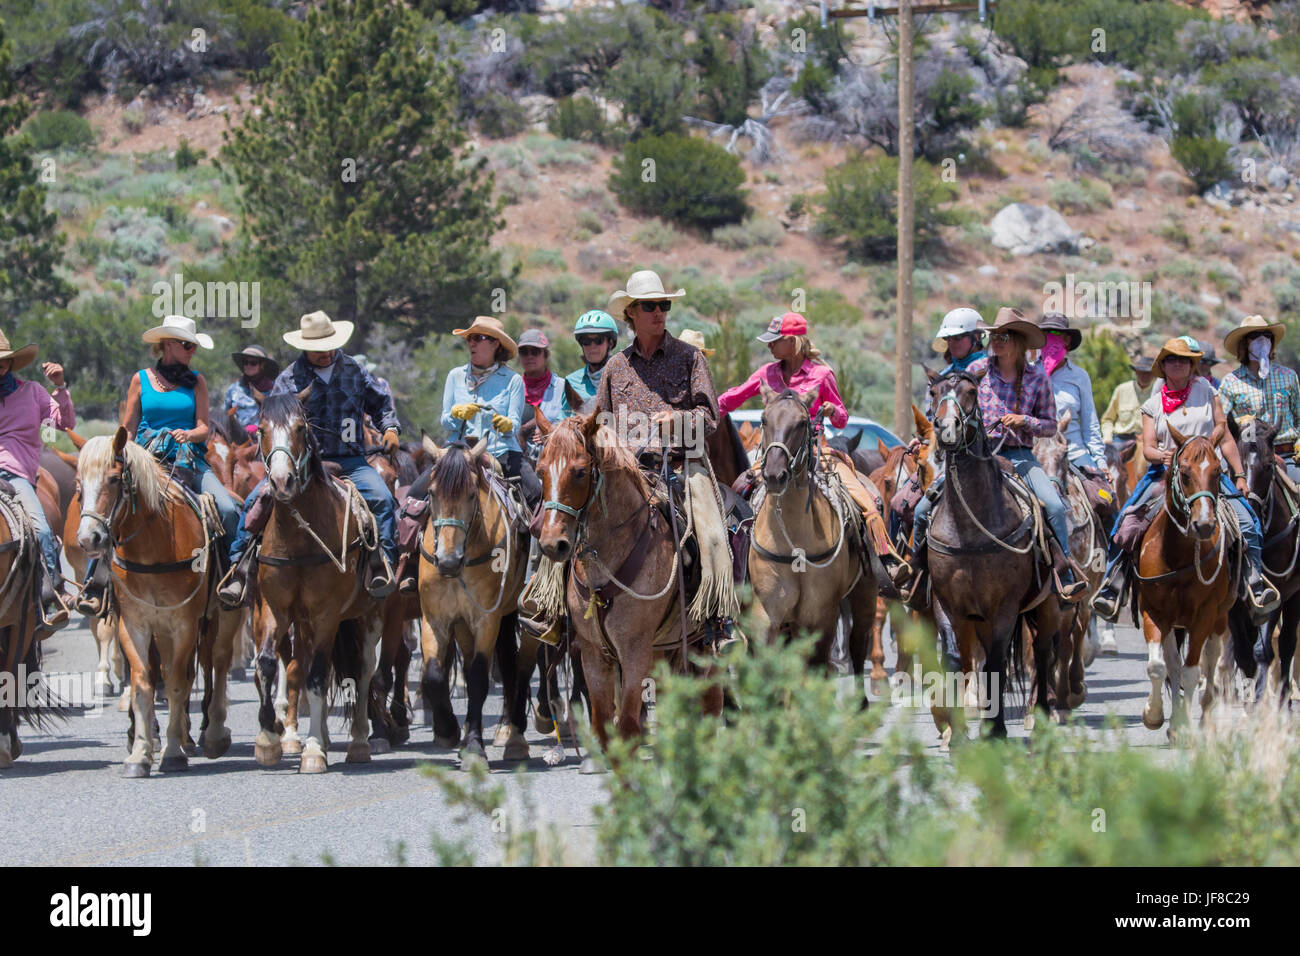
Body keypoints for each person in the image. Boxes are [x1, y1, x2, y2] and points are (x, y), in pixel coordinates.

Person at [217, 311, 400, 607]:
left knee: (381, 498)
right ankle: (239, 568)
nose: (325, 353)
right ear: (305, 347)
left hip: (351, 460)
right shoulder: (289, 378)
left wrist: (390, 428)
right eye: (318, 348)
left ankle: (382, 564)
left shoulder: (353, 369)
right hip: (302, 464)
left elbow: (380, 402)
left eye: (329, 345)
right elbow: (271, 420)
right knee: (256, 499)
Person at [1091, 336, 1280, 622]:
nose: (1177, 364)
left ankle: (1255, 582)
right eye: (1171, 360)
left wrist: (1239, 473)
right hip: (1165, 474)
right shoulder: (1153, 405)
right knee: (1126, 523)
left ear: (1192, 366)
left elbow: (1224, 431)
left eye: (1184, 360)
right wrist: (1162, 455)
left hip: (1206, 474)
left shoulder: (1207, 391)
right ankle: (1112, 586)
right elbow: (1150, 446)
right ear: (1163, 366)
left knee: (1248, 523)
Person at [908, 308, 1088, 604]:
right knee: (921, 509)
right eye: (995, 336)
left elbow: (1050, 425)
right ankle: (919, 572)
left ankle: (1062, 571)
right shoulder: (976, 372)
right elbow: (946, 399)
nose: (998, 341)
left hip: (1019, 458)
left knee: (1054, 506)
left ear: (1018, 342)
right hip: (976, 455)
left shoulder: (1037, 379)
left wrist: (1024, 421)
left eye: (1005, 336)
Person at [717, 311, 910, 585]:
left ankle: (884, 560)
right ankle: (735, 569)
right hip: (774, 455)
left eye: (775, 340)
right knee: (737, 493)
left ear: (793, 341)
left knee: (868, 499)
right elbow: (732, 399)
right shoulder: (766, 374)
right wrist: (702, 407)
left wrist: (832, 410)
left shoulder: (822, 375)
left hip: (819, 453)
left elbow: (842, 418)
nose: (769, 346)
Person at [595, 269, 739, 628]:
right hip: (627, 472)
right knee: (569, 520)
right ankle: (556, 611)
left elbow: (710, 418)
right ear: (631, 313)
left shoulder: (691, 358)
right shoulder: (616, 367)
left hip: (682, 466)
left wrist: (677, 420)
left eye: (663, 305)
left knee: (712, 536)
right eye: (650, 306)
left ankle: (717, 621)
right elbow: (602, 423)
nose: (659, 312)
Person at [79, 315, 242, 616]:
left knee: (229, 509)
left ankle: (234, 575)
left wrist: (189, 434)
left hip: (190, 461)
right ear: (167, 345)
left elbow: (204, 427)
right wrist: (121, 452)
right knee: (109, 507)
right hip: (147, 463)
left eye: (193, 346)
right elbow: (127, 428)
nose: (191, 351)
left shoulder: (198, 382)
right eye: (186, 345)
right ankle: (96, 582)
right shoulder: (139, 380)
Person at [0, 331, 75, 627]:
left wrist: (60, 387)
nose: (0, 367)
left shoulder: (32, 392)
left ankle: (53, 590)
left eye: (4, 362)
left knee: (42, 530)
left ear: (11, 363)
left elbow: (64, 422)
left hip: (16, 474)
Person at [441, 315, 539, 510]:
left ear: (495, 344)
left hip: (502, 451)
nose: (471, 343)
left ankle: (540, 540)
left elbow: (514, 424)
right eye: (470, 338)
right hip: (458, 451)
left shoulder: (513, 380)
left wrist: (507, 424)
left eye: (478, 338)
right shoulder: (455, 376)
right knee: (415, 498)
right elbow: (444, 420)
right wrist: (455, 414)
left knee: (536, 493)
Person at [1216, 314, 1300, 483]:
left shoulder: (1288, 376)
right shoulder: (1230, 383)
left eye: (1267, 335)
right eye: (1254, 336)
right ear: (1244, 343)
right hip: (1248, 459)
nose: (1262, 340)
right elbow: (1221, 426)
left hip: (1287, 454)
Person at [1037, 313, 1107, 474]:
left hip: (1074, 452)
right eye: (1044, 334)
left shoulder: (1080, 376)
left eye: (1054, 334)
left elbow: (1090, 422)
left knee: (1101, 496)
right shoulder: (1029, 371)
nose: (1049, 338)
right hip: (1037, 452)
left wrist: (1100, 460)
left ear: (1067, 341)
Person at [517, 328, 571, 459]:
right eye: (524, 352)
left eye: (535, 352)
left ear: (545, 355)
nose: (529, 356)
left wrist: (551, 433)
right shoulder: (512, 388)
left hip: (554, 463)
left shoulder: (563, 387)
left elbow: (572, 424)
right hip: (519, 464)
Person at [224, 345, 280, 442]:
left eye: (253, 363)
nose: (248, 366)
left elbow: (279, 420)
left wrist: (258, 429)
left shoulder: (274, 391)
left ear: (262, 365)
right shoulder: (233, 390)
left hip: (266, 441)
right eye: (246, 362)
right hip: (238, 443)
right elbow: (225, 416)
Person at [565, 309, 619, 409]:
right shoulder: (571, 382)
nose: (592, 346)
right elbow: (563, 419)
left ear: (610, 343)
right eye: (586, 341)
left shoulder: (624, 379)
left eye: (598, 340)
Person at [1101, 354, 1157, 448]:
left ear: (1154, 375)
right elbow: (1108, 419)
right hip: (1121, 439)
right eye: (1141, 372)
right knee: (1107, 460)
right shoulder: (1121, 390)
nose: (1145, 376)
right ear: (1136, 372)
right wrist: (1107, 437)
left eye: (1148, 373)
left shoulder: (1158, 393)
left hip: (1148, 440)